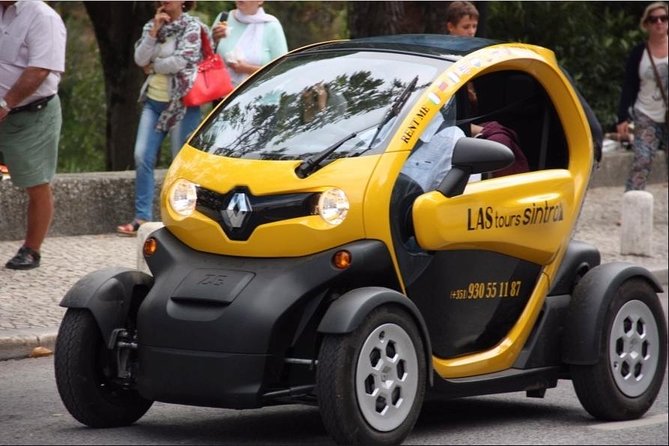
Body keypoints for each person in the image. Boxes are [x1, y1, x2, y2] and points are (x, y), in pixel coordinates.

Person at [117, 1, 204, 236]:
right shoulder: (151, 26)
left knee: (180, 164)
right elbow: (139, 58)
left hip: (182, 104)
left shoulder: (192, 27)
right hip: (153, 102)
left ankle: (181, 219)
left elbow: (182, 61)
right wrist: (154, 31)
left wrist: (153, 65)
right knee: (142, 155)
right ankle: (142, 218)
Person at [0, 1, 67, 270]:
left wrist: (6, 104)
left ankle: (31, 249)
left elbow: (40, 69)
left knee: (36, 182)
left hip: (31, 113)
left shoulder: (43, 17)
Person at [616, 2, 668, 192]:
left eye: (664, 18)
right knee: (642, 160)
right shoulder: (639, 52)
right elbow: (628, 86)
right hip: (646, 113)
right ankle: (632, 204)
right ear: (646, 24)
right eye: (654, 19)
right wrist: (622, 117)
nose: (659, 23)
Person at [210, 1, 288, 90]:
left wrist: (247, 69)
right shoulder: (224, 18)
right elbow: (204, 56)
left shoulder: (272, 26)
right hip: (223, 97)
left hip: (259, 98)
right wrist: (213, 39)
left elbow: (282, 69)